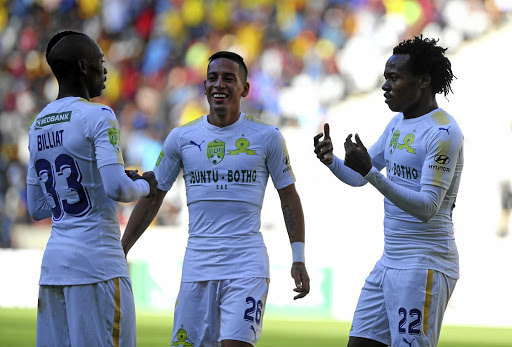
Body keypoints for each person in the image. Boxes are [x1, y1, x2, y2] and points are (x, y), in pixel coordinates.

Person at [122, 51, 310, 346]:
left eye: (228, 78)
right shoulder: (181, 138)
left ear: (245, 89)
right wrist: (122, 250)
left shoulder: (267, 137)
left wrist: (298, 258)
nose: (219, 84)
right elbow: (154, 194)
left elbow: (289, 196)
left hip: (246, 267)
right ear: (205, 86)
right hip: (197, 268)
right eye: (212, 78)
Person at [314, 36, 463, 347]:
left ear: (423, 81)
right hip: (389, 262)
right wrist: (332, 161)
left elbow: (427, 207)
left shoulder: (443, 132)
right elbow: (359, 178)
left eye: (394, 78)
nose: (385, 86)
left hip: (424, 265)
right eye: (385, 78)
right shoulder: (397, 124)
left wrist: (369, 171)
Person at [26, 30, 157, 347]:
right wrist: (144, 185)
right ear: (84, 66)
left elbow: (37, 207)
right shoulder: (99, 115)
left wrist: (93, 180)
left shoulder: (39, 123)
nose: (106, 70)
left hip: (54, 269)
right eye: (101, 62)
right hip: (97, 267)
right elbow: (119, 190)